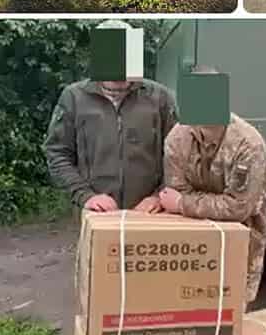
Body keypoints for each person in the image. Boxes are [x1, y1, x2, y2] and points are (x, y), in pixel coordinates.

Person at [159, 67, 266, 303]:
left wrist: (182, 203)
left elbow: (240, 208)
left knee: (232, 312)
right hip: (191, 246)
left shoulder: (248, 144)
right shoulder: (177, 139)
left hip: (241, 242)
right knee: (188, 309)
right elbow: (175, 191)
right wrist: (183, 202)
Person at [44, 21, 176, 213]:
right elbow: (57, 152)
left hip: (150, 214)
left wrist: (159, 195)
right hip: (95, 214)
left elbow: (179, 157)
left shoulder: (160, 97)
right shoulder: (73, 97)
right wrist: (85, 195)